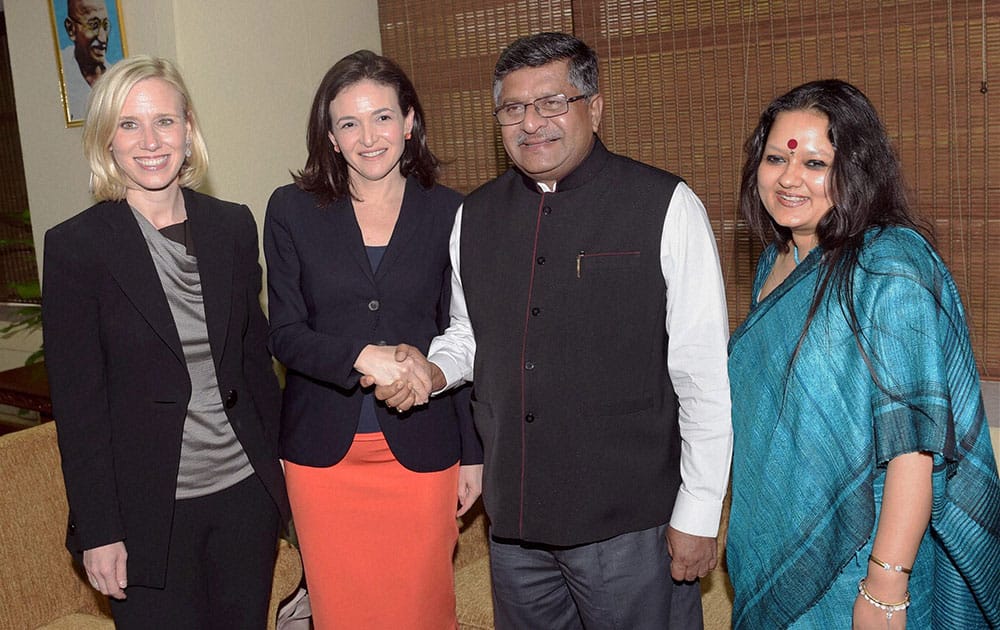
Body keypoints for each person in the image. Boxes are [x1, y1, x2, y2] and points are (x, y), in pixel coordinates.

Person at [376, 32, 732, 629]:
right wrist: (434, 370)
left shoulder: (666, 205)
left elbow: (701, 372)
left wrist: (698, 512)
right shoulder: (476, 215)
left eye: (552, 103)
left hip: (630, 526)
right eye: (513, 108)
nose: (531, 123)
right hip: (515, 528)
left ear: (594, 107)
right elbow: (469, 331)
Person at [726, 79, 1000, 629]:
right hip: (777, 540)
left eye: (815, 164)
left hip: (863, 555)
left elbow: (914, 452)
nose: (788, 178)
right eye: (776, 158)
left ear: (857, 169)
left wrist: (884, 589)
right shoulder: (774, 263)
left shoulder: (890, 267)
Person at [42, 55, 289, 629]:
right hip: (145, 513)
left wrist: (280, 481)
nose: (150, 141)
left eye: (165, 122)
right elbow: (79, 409)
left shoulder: (232, 226)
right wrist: (101, 530)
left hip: (244, 499)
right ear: (107, 140)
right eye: (129, 124)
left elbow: (255, 367)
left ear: (189, 130)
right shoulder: (77, 248)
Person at [263, 49, 483, 629]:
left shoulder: (452, 211)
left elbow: (461, 334)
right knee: (340, 611)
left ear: (409, 122)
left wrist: (474, 454)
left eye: (383, 117)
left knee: (423, 608)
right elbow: (283, 334)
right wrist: (360, 355)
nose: (369, 137)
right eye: (349, 123)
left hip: (423, 451)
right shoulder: (291, 210)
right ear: (330, 136)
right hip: (321, 459)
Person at [61, 0, 111, 120]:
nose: (102, 38)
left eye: (105, 25)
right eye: (93, 25)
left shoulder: (115, 76)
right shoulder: (60, 70)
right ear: (71, 29)